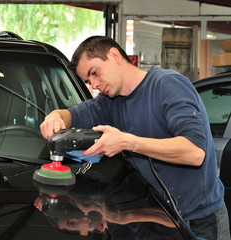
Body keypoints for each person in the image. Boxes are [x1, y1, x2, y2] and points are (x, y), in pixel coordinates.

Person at [40, 35, 230, 239]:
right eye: (87, 81)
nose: (93, 84)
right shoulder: (109, 102)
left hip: (198, 220)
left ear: (114, 55)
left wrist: (126, 141)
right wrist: (57, 116)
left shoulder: (167, 85)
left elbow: (194, 152)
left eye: (94, 73)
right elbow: (76, 114)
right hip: (155, 216)